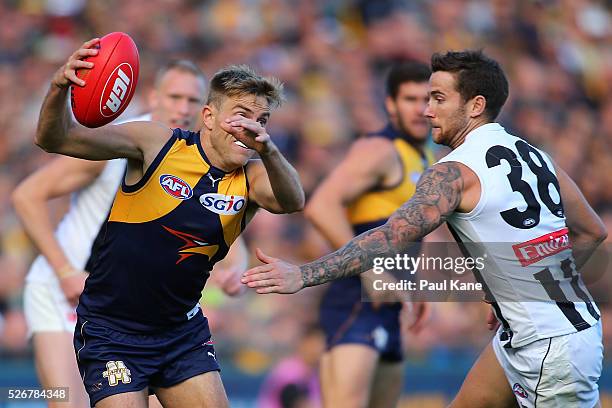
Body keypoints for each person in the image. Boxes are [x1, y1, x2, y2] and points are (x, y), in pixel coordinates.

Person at [243, 50, 606, 408]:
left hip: (551, 347)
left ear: (475, 105)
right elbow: (592, 232)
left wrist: (302, 274)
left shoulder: (453, 171)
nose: (427, 110)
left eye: (438, 98)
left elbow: (387, 238)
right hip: (548, 331)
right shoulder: (537, 155)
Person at [34, 38, 304, 408]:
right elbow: (55, 138)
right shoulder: (156, 143)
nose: (251, 127)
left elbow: (293, 201)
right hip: (112, 330)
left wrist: (269, 149)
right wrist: (58, 88)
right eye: (240, 115)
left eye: (261, 120)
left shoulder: (253, 177)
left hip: (180, 333)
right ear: (208, 117)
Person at [13, 59, 222, 408]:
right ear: (153, 96)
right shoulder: (118, 144)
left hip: (124, 309)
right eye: (174, 97)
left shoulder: (196, 159)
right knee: (67, 403)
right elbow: (27, 195)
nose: (182, 109)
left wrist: (230, 274)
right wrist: (65, 271)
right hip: (60, 291)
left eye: (191, 101)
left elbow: (228, 235)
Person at [303, 62, 432, 407]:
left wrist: (413, 283)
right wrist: (370, 271)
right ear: (391, 104)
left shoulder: (421, 156)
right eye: (411, 99)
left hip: (386, 308)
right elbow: (320, 206)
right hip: (354, 303)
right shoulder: (379, 150)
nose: (421, 109)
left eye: (429, 99)